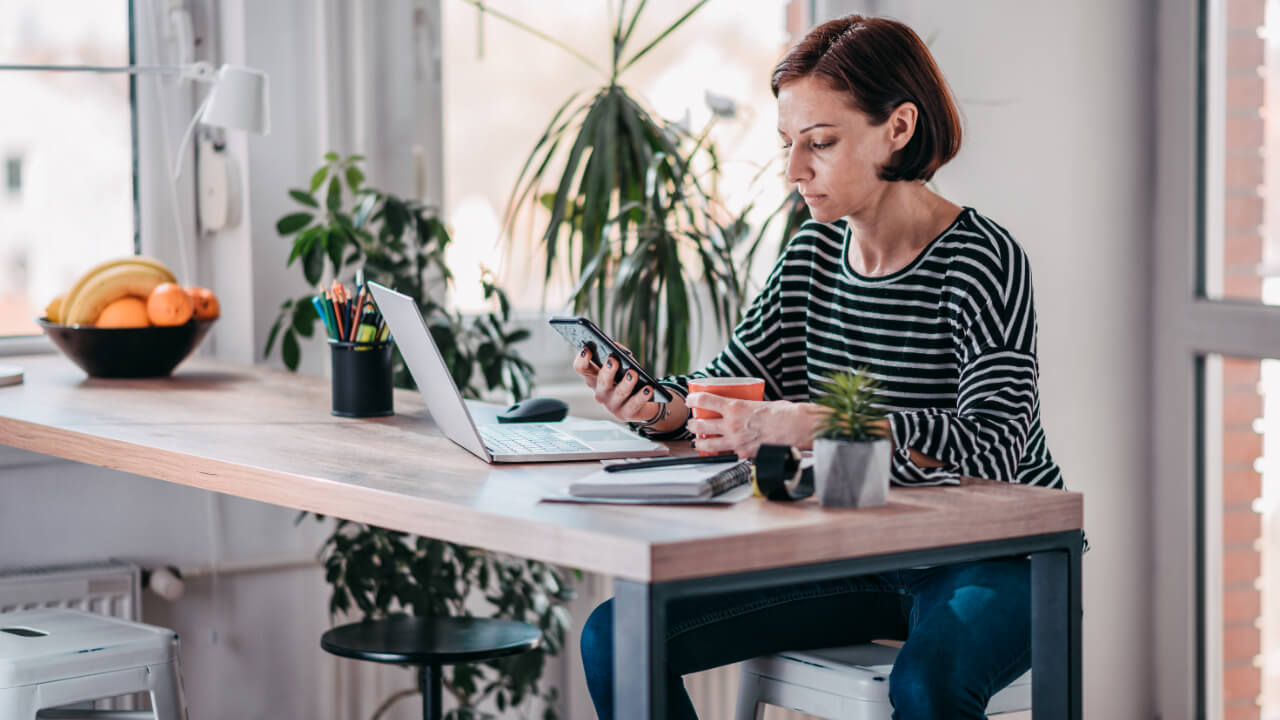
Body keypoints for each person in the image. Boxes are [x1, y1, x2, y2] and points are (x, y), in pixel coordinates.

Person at [572, 14, 1066, 720]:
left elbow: (994, 441)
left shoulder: (981, 259)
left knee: (926, 684)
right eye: (787, 145)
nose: (794, 170)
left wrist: (822, 422)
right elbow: (732, 379)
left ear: (898, 127)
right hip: (856, 553)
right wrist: (657, 407)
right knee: (619, 634)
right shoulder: (811, 256)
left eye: (821, 144)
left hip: (995, 557)